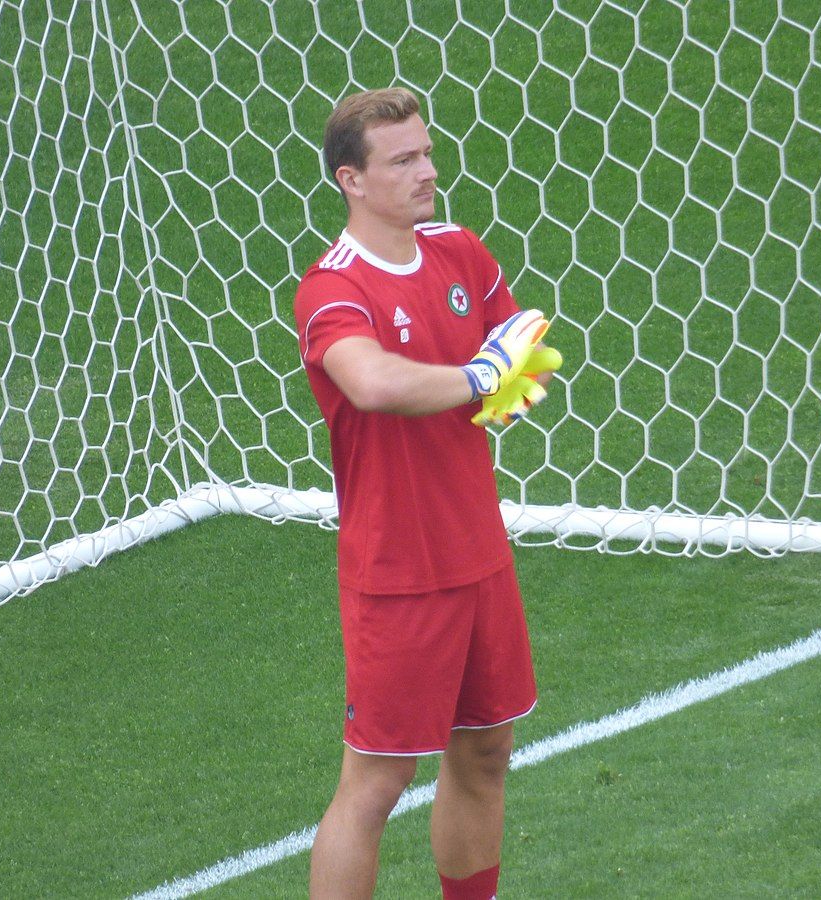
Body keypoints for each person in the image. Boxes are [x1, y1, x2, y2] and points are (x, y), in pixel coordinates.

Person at [293, 86, 559, 900]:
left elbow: (509, 355)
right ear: (352, 180)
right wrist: (476, 375)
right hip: (398, 571)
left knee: (484, 752)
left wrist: (505, 381)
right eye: (403, 159)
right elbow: (371, 382)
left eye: (427, 153)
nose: (427, 172)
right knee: (376, 783)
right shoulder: (332, 289)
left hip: (478, 553)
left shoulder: (460, 254)